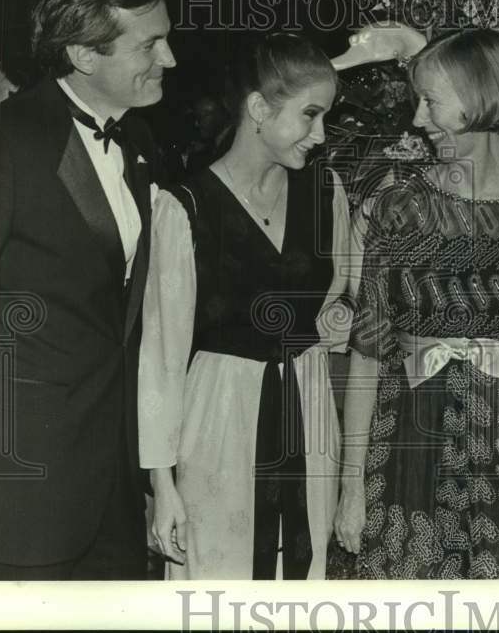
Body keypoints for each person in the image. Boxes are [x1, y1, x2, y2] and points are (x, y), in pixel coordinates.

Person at [0, 0, 176, 579]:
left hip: (110, 491)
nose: (170, 60)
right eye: (151, 44)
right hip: (12, 497)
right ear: (83, 54)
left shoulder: (139, 144)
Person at [334, 28, 499, 579]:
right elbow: (367, 353)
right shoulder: (400, 206)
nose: (418, 120)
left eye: (431, 101)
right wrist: (351, 486)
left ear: (478, 96)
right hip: (406, 450)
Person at [139, 32, 352, 579]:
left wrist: (340, 319)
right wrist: (162, 488)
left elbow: (338, 308)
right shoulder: (185, 208)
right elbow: (160, 360)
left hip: (307, 416)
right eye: (309, 115)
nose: (319, 134)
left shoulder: (327, 193)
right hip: (217, 422)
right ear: (259, 108)